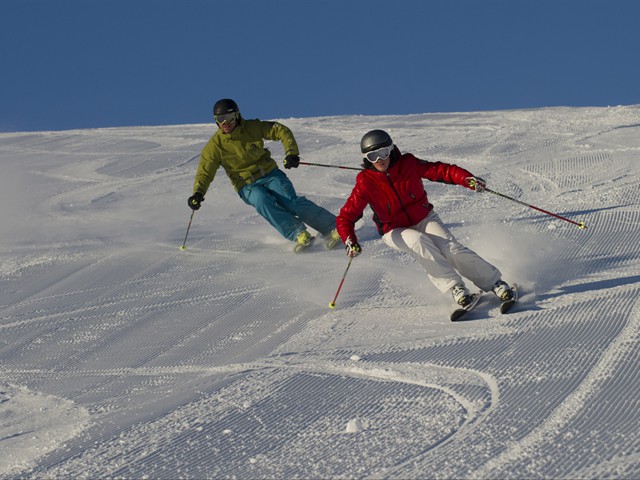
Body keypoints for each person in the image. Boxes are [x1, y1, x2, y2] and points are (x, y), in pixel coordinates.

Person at [335, 129, 515, 307]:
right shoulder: (365, 182)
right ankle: (455, 288)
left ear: (391, 149)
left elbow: (440, 170)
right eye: (372, 156)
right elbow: (345, 217)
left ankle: (495, 283)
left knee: (451, 248)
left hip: (424, 217)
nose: (379, 159)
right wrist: (349, 240)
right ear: (366, 158)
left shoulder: (408, 164)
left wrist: (467, 178)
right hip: (393, 230)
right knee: (417, 241)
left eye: (383, 153)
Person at [188, 98, 340, 253]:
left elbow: (280, 130)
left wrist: (291, 153)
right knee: (260, 200)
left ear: (237, 116)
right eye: (220, 119)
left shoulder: (252, 127)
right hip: (246, 185)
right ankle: (298, 233)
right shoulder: (214, 147)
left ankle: (332, 226)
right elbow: (205, 172)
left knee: (290, 202)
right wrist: (198, 193)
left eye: (229, 118)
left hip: (270, 174)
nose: (225, 123)